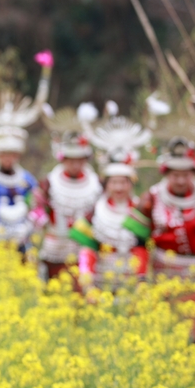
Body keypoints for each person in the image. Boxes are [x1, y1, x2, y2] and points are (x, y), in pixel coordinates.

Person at [123, 136, 195, 342]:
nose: (180, 180)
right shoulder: (151, 198)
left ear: (193, 174)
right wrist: (140, 278)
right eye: (175, 175)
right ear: (166, 173)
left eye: (185, 175)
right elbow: (139, 244)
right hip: (168, 280)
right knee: (174, 338)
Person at [0, 48, 52, 245]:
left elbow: (37, 204)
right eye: (4, 155)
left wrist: (34, 222)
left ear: (18, 156)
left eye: (12, 155)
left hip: (22, 235)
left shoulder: (26, 180)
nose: (8, 159)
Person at [69, 115, 152, 291]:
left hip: (132, 284)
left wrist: (141, 280)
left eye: (124, 182)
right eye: (114, 182)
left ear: (131, 184)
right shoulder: (95, 212)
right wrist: (87, 280)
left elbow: (142, 248)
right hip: (101, 283)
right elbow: (88, 249)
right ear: (106, 184)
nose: (119, 187)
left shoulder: (140, 212)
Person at [32, 130, 103, 281]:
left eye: (79, 160)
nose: (75, 164)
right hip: (55, 246)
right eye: (71, 160)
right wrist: (41, 222)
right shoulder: (49, 182)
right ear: (63, 159)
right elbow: (36, 206)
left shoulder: (95, 184)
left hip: (83, 248)